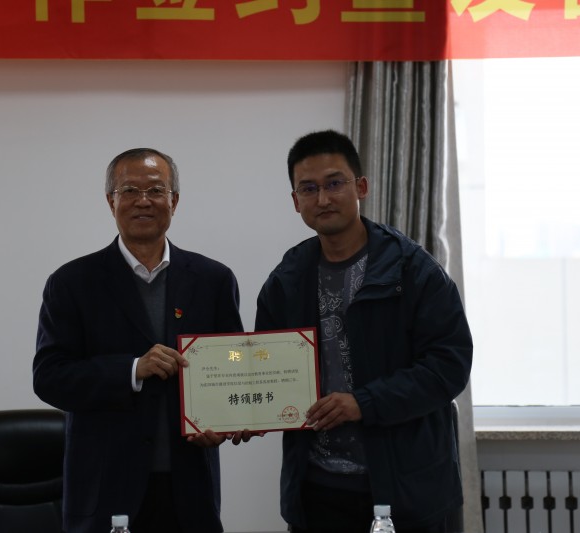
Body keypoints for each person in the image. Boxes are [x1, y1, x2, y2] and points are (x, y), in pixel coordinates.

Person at [255, 130, 473, 533]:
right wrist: (239, 413)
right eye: (309, 188)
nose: (323, 198)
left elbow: (449, 367)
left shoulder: (414, 271)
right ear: (296, 201)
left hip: (407, 489)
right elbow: (265, 366)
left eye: (334, 183)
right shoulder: (286, 281)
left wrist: (364, 402)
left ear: (361, 187)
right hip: (317, 490)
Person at [33, 148, 244, 533]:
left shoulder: (214, 280)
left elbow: (233, 365)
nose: (143, 201)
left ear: (174, 201)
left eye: (156, 190)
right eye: (129, 190)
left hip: (189, 488)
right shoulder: (72, 283)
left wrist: (229, 419)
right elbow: (49, 377)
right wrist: (132, 370)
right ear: (110, 201)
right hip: (106, 488)